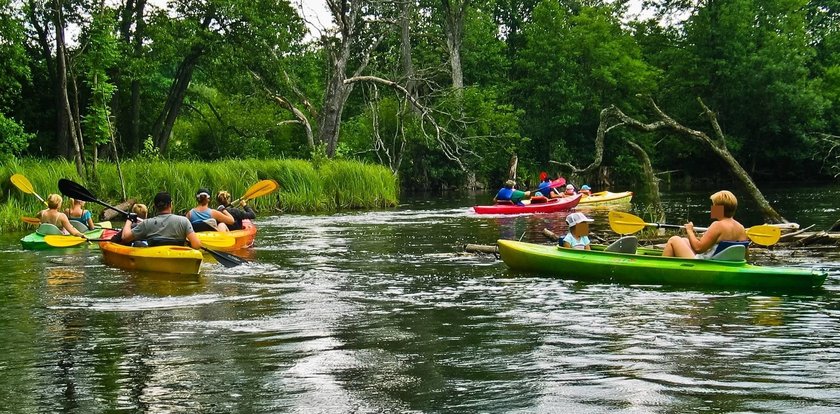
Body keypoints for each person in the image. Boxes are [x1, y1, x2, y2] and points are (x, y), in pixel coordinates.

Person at [662, 190, 748, 259]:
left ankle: (662, 271)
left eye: (713, 205)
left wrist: (690, 231)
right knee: (685, 240)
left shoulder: (718, 225)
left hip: (707, 265)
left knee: (674, 240)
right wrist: (696, 236)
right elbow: (745, 255)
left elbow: (698, 248)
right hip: (723, 263)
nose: (711, 208)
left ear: (719, 209)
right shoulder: (741, 228)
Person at [119, 192, 201, 248]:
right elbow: (196, 245)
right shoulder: (184, 221)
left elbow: (125, 238)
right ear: (170, 205)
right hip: (177, 258)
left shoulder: (147, 223)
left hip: (156, 258)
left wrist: (129, 219)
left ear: (155, 207)